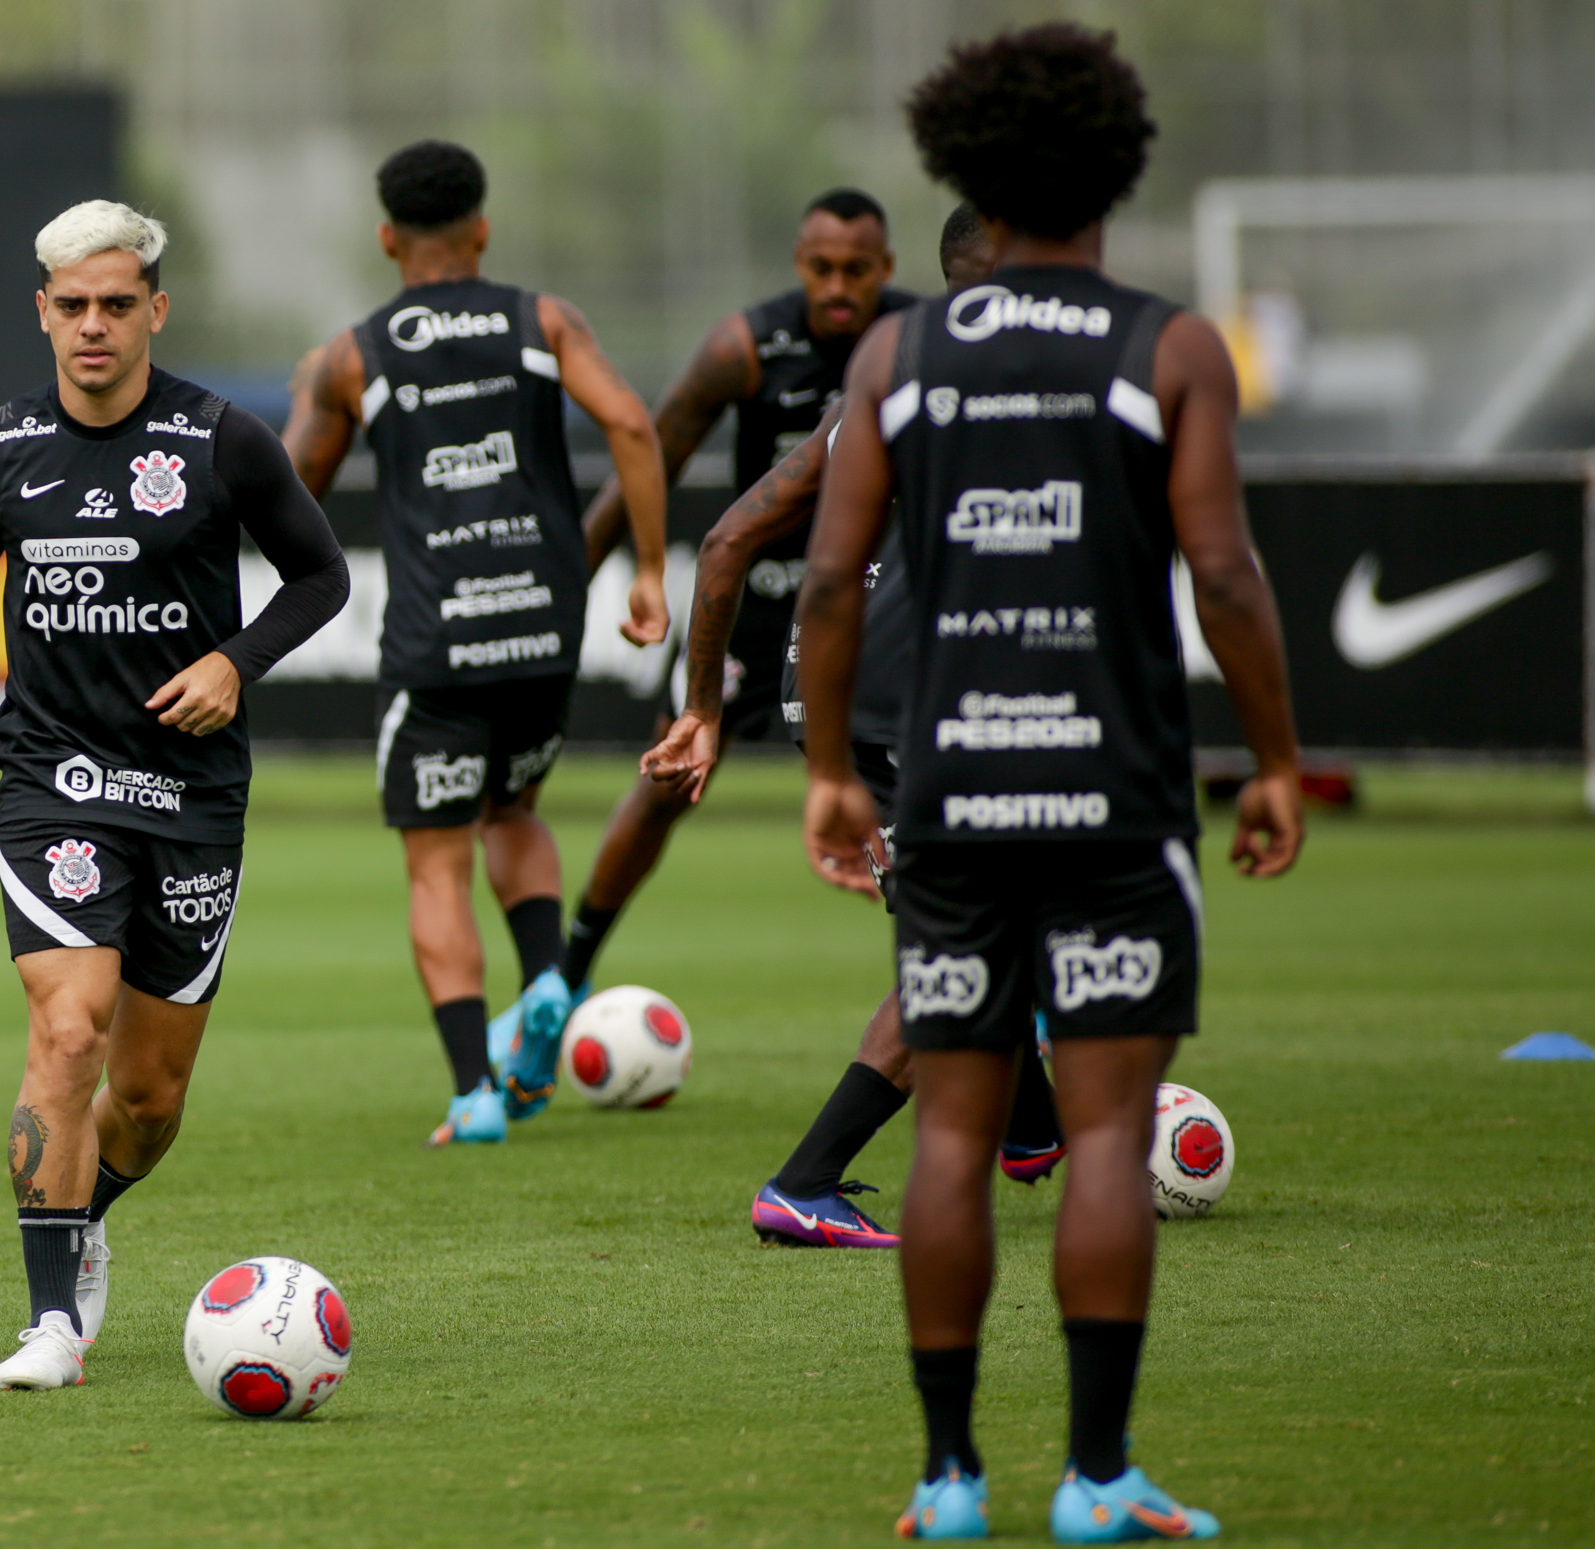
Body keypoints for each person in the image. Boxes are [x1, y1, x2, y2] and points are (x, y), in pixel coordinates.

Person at [795, 26, 1302, 1540]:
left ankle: (948, 1480)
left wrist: (829, 769)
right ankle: (1095, 1476)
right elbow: (1222, 567)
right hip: (1115, 797)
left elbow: (829, 584)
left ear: (965, 175)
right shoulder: (1169, 349)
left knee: (949, 1134)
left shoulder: (899, 351)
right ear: (1119, 169)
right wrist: (1276, 758)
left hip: (948, 792)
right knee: (1096, 1133)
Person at [0, 200, 349, 1391]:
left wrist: (232, 661)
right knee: (67, 1027)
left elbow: (320, 576)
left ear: (155, 307)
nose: (92, 326)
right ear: (40, 310)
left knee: (146, 1099)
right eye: (70, 305)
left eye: (115, 304)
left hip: (194, 794)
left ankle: (85, 1206)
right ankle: (52, 1319)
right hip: (52, 780)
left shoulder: (222, 441)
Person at [645, 207, 1065, 1255]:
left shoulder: (882, 381)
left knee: (964, 926)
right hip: (927, 703)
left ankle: (1031, 1129)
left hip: (834, 693)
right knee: (971, 946)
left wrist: (702, 707)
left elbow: (729, 538)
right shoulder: (1028, 382)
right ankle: (805, 1181)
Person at [282, 141, 668, 1145]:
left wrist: (302, 408)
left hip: (434, 641)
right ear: (481, 230)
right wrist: (655, 574)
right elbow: (631, 424)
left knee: (434, 866)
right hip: (544, 627)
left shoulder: (352, 355)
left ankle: (472, 1092)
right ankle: (544, 980)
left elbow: (286, 498)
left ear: (386, 239)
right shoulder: (543, 319)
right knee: (513, 811)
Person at [554, 189, 919, 1005]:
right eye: (821, 268)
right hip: (757, 600)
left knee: (930, 798)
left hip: (873, 605)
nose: (838, 286)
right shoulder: (745, 346)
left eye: (856, 271)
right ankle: (564, 981)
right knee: (665, 785)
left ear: (885, 270)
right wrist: (570, 582)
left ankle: (978, 990)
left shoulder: (916, 342)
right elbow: (653, 458)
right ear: (799, 264)